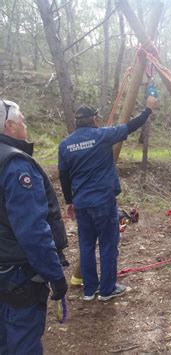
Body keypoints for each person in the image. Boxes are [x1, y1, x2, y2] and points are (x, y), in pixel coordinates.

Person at [58, 96, 158, 301]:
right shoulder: (101, 135)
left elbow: (64, 175)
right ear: (94, 119)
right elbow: (131, 126)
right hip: (102, 201)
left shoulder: (65, 144)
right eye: (96, 117)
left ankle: (89, 290)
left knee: (86, 245)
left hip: (81, 203)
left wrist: (69, 201)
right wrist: (148, 109)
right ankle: (107, 290)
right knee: (108, 244)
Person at [0, 99, 68, 353]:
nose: (26, 125)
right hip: (17, 276)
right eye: (22, 121)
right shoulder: (15, 165)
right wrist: (55, 274)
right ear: (10, 126)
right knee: (21, 343)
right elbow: (32, 231)